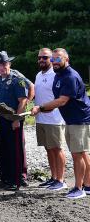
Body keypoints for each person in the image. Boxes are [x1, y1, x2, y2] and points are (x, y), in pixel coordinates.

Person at [32, 48, 90, 199]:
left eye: (57, 59)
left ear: (66, 59)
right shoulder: (59, 75)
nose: (54, 62)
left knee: (78, 154)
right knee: (81, 153)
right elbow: (58, 101)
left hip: (80, 119)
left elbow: (63, 100)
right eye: (53, 59)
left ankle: (79, 188)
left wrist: (41, 108)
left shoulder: (70, 76)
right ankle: (88, 185)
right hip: (70, 119)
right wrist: (44, 109)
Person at [0, 51, 30, 190]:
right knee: (1, 150)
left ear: (9, 64)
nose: (1, 67)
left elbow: (23, 101)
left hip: (12, 120)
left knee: (14, 150)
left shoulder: (18, 80)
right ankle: (5, 177)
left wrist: (17, 119)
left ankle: (16, 179)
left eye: (4, 64)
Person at [32, 48, 67, 190]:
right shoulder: (38, 75)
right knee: (48, 149)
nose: (42, 60)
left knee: (57, 149)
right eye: (40, 57)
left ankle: (61, 179)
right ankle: (53, 177)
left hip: (54, 118)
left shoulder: (56, 74)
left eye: (45, 57)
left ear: (51, 59)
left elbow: (60, 98)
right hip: (41, 118)